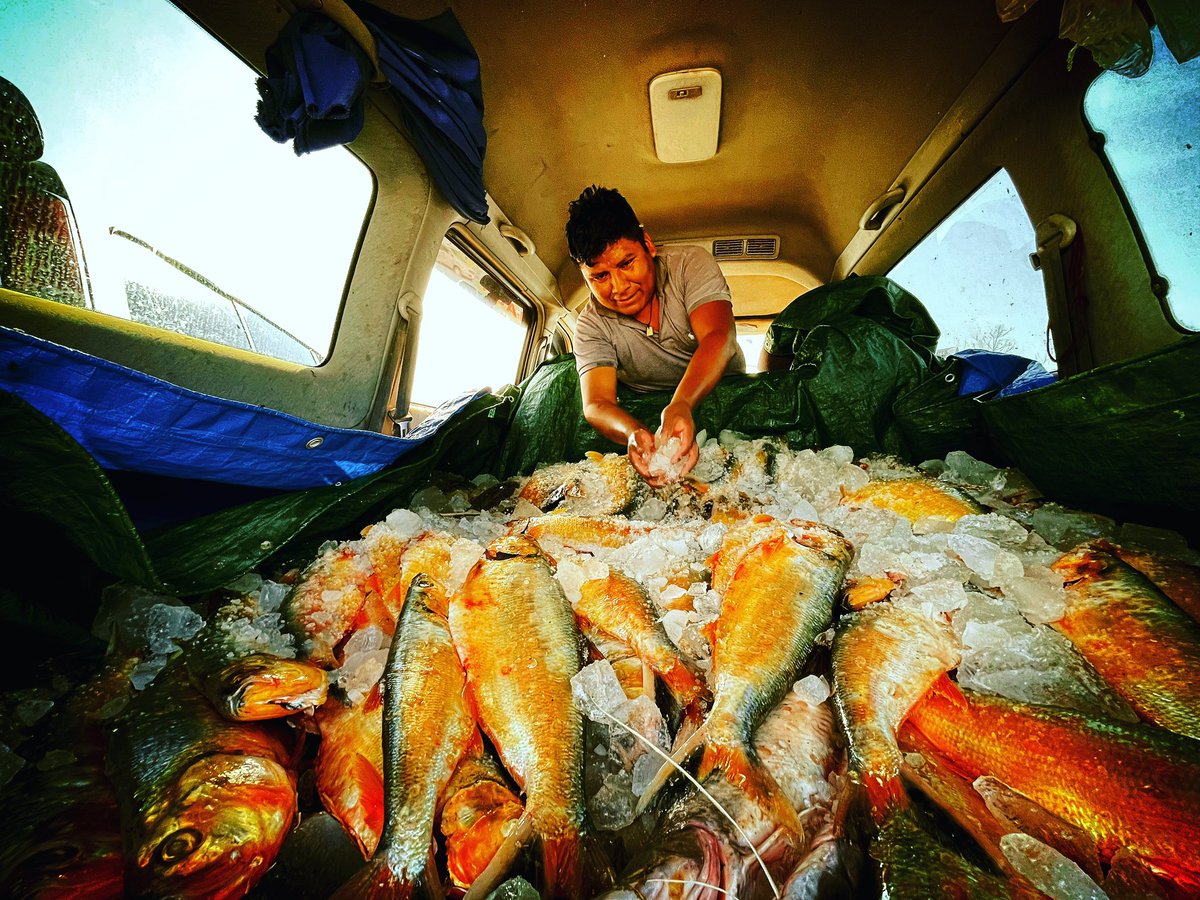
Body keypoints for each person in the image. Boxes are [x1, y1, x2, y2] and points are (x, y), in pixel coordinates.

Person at [566, 185, 745, 484]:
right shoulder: (590, 326)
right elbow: (597, 404)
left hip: (730, 395)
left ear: (647, 244)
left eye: (626, 263)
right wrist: (635, 434)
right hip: (654, 410)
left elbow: (719, 337)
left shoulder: (691, 264)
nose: (619, 287)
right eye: (600, 276)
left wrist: (682, 403)